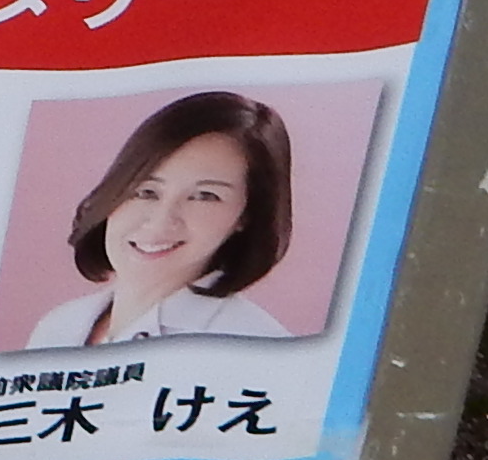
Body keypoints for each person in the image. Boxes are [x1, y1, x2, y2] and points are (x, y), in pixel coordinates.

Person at [26, 90, 299, 346]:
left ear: (246, 214)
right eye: (145, 191)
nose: (161, 221)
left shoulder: (255, 345)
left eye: (205, 196)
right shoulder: (59, 326)